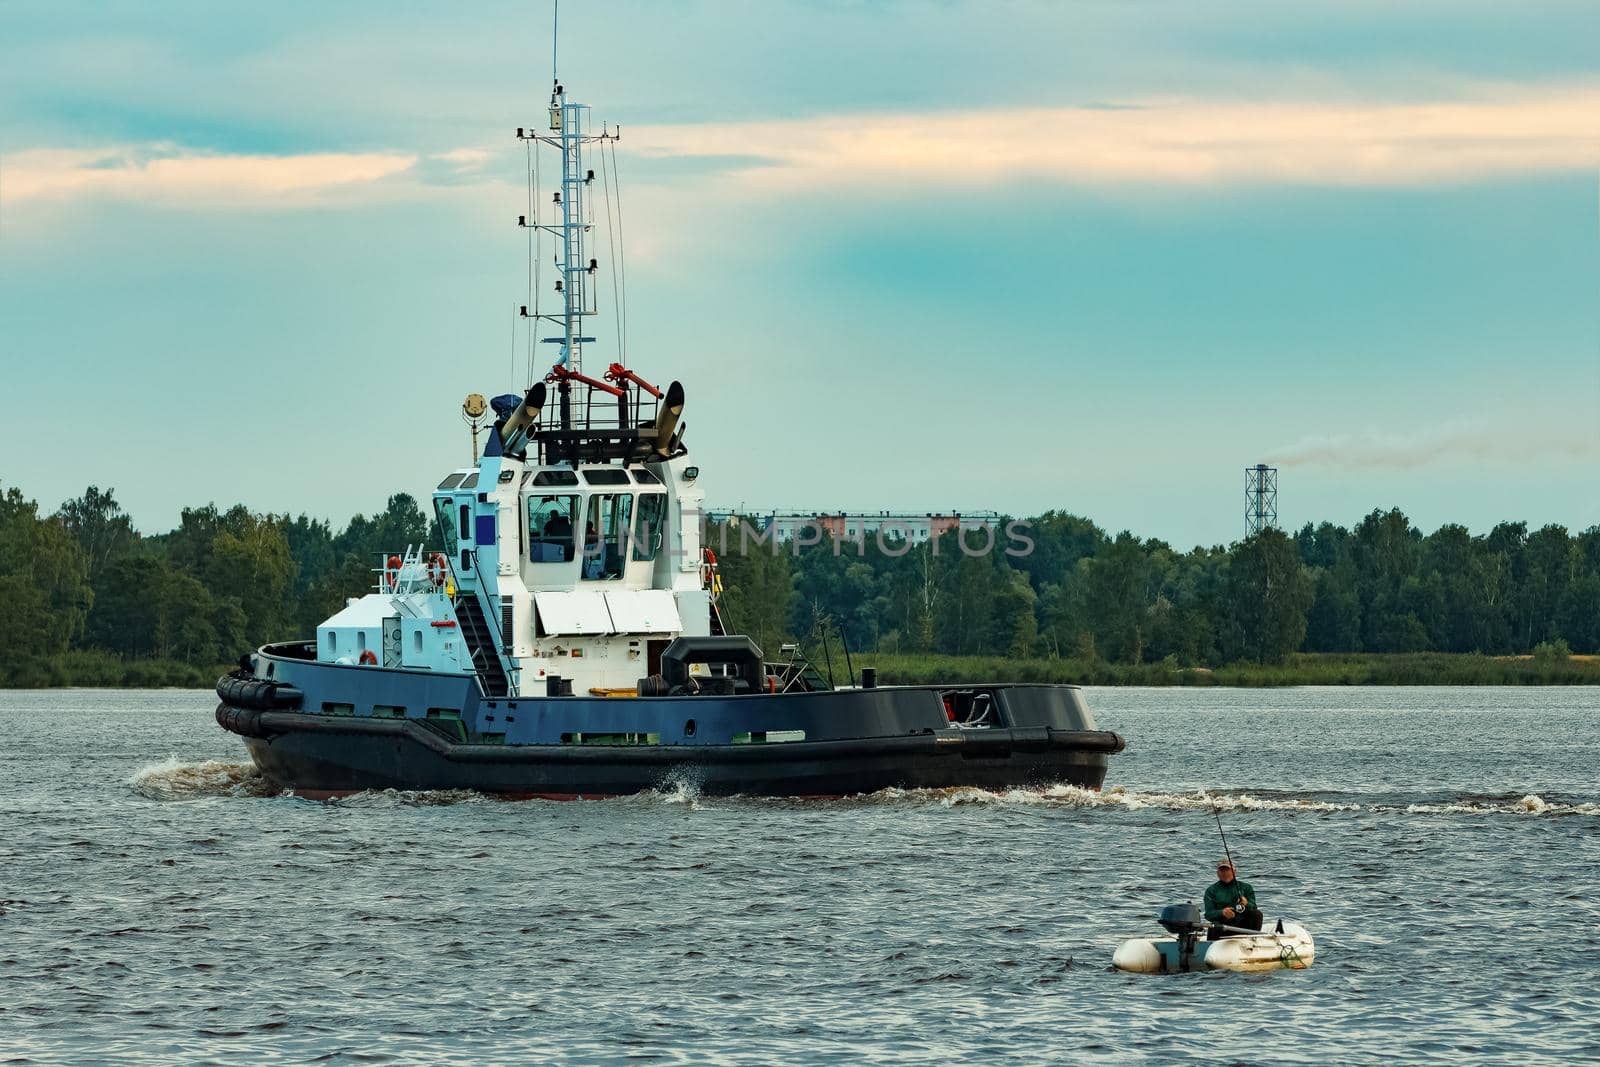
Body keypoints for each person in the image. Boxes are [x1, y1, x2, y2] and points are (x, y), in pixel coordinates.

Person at [1203, 858, 1262, 939]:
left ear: (1234, 872)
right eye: (1222, 871)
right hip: (1223, 926)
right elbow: (1208, 914)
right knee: (1214, 925)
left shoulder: (1246, 887)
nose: (1225, 873)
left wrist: (1246, 903)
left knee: (1257, 914)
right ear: (1217, 873)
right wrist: (1222, 912)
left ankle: (1254, 940)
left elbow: (1254, 907)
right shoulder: (1211, 890)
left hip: (1243, 924)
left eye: (1227, 870)